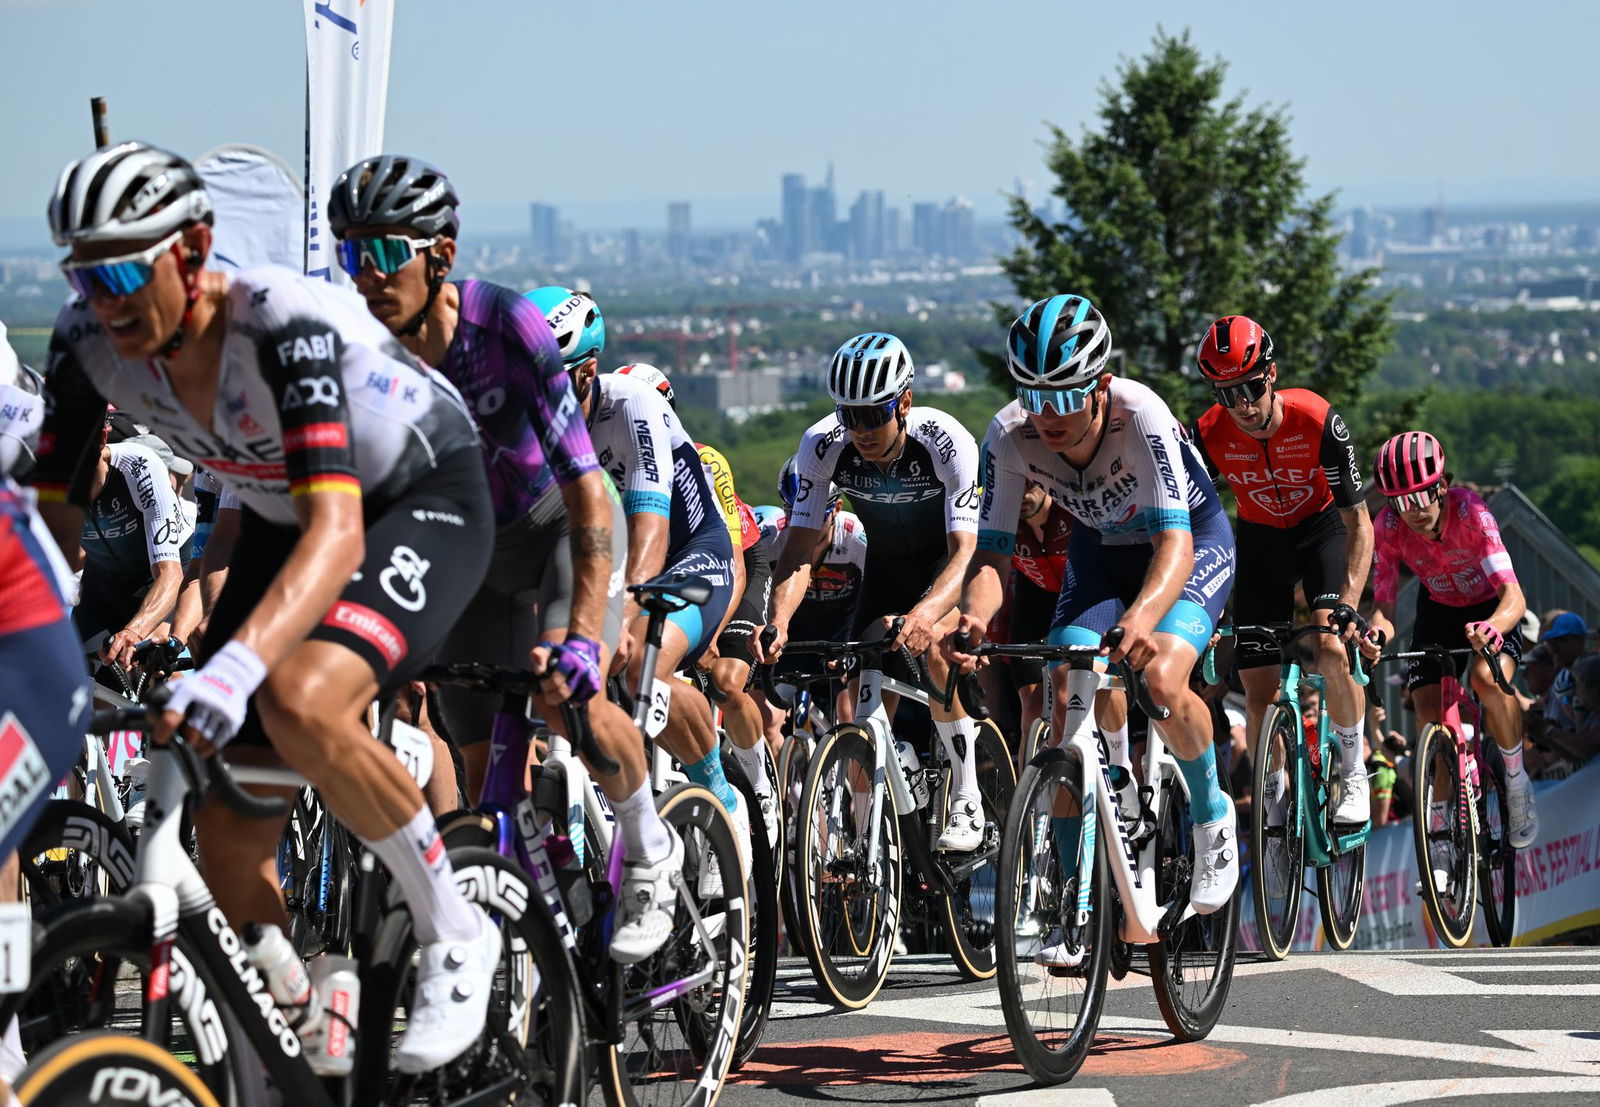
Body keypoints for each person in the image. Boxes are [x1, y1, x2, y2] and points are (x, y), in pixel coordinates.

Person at [34, 142, 500, 1072]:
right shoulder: (85, 345)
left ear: (195, 248)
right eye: (84, 276)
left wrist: (238, 666)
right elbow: (54, 523)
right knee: (226, 822)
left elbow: (336, 533)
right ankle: (295, 1014)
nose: (105, 300)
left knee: (297, 697)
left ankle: (457, 931)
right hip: (281, 515)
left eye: (125, 270)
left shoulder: (276, 323)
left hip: (418, 494)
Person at [329, 157, 679, 961]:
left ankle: (648, 844)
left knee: (569, 702)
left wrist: (586, 633)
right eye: (352, 255)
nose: (368, 276)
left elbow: (588, 487)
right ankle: (528, 921)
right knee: (478, 747)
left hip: (557, 523)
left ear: (441, 255)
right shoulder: (361, 356)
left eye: (387, 254)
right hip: (468, 548)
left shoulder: (503, 326)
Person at [947, 294, 1240, 940]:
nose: (1045, 416)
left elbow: (1178, 544)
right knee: (1066, 685)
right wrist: (971, 619)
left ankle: (1214, 816)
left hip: (1187, 545)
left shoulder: (1142, 416)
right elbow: (993, 556)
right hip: (1102, 550)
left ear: (1100, 386)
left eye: (1063, 397)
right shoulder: (1008, 434)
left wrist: (1141, 618)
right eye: (1033, 396)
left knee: (1160, 676)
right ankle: (1070, 892)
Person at [530, 290, 751, 884]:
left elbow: (651, 532)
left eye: (557, 385)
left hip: (688, 553)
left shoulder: (633, 405)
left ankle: (717, 795)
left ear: (589, 371)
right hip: (607, 560)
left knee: (640, 669)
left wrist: (614, 611)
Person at [760, 331, 987, 851]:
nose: (859, 429)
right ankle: (873, 854)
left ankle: (967, 792)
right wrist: (779, 623)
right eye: (849, 415)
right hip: (885, 568)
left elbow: (965, 551)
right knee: (861, 696)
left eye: (873, 414)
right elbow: (797, 554)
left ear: (904, 403)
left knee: (935, 652)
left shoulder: (945, 441)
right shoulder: (822, 446)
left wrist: (929, 613)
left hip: (944, 566)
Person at [1193, 314, 1374, 826]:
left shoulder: (1315, 419)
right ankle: (1273, 796)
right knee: (1257, 684)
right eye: (1226, 394)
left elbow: (1358, 522)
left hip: (1321, 533)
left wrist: (1349, 605)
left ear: (1270, 374)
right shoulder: (1209, 431)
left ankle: (1353, 766)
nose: (1242, 406)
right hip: (1261, 541)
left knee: (1331, 648)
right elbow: (1186, 522)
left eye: (1249, 388)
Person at [1362, 430, 1537, 860]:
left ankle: (1515, 781)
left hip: (1492, 605)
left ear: (1440, 485)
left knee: (1484, 678)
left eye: (1421, 496)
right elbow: (1384, 607)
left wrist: (1493, 628)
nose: (1413, 511)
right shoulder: (1386, 527)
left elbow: (1515, 598)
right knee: (1426, 707)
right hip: (1439, 607)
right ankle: (1440, 822)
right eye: (1400, 502)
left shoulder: (1472, 513)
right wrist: (1375, 635)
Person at [73, 417, 191, 673]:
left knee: (155, 668)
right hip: (102, 578)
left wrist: (133, 630)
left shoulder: (139, 465)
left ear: (102, 442)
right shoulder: (39, 475)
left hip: (158, 573)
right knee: (86, 674)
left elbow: (169, 574)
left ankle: (173, 706)